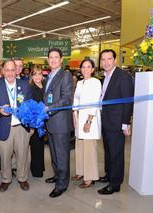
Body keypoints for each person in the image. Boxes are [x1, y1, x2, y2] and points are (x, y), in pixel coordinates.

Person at [0, 60, 33, 192]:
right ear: (2, 71)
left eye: (13, 70)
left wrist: (32, 125)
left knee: (22, 155)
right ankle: (6, 179)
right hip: (3, 126)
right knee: (5, 156)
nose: (11, 73)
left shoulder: (25, 86)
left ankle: (22, 178)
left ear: (16, 71)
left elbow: (30, 105)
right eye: (7, 70)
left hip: (21, 128)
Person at [97, 49, 134, 195]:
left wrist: (126, 123)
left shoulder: (123, 76)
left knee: (117, 153)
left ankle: (115, 183)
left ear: (115, 60)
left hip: (117, 122)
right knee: (108, 151)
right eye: (103, 59)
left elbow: (128, 101)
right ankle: (109, 175)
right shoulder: (105, 77)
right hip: (106, 121)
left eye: (109, 59)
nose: (106, 62)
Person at [43, 48, 73, 198]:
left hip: (60, 122)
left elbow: (67, 98)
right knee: (54, 154)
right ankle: (57, 176)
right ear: (48, 60)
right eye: (51, 57)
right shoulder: (48, 77)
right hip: (50, 122)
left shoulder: (65, 75)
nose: (53, 60)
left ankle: (62, 184)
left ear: (61, 60)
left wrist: (48, 108)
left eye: (56, 57)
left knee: (61, 155)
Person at [71, 59, 101, 188]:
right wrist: (74, 116)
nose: (85, 69)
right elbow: (76, 100)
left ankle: (90, 178)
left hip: (90, 120)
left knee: (89, 150)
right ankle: (81, 172)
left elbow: (95, 103)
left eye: (88, 67)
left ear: (93, 69)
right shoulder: (79, 82)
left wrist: (89, 121)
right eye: (83, 67)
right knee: (80, 147)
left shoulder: (95, 82)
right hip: (79, 119)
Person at [28, 65, 45, 177]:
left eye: (39, 74)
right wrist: (32, 126)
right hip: (36, 122)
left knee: (41, 146)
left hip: (45, 120)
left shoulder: (46, 87)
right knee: (36, 146)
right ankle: (36, 170)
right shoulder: (31, 89)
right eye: (35, 74)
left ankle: (41, 166)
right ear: (32, 76)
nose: (37, 77)